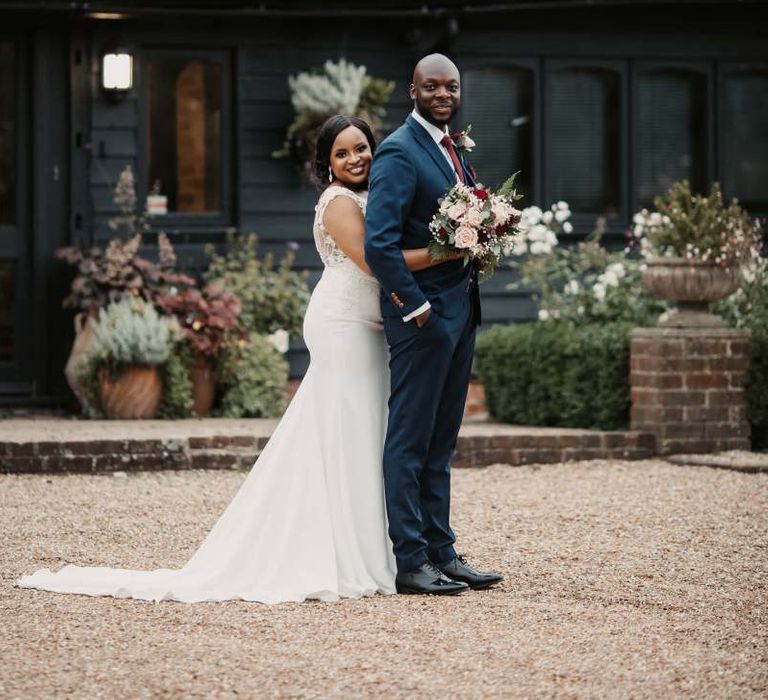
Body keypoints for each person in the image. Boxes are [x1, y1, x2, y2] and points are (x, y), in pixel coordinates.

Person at [16, 115, 452, 604]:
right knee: (346, 427)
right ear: (326, 164)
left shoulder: (376, 194)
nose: (356, 158)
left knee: (367, 429)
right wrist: (448, 250)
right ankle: (337, 550)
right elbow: (376, 261)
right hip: (344, 324)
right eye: (342, 153)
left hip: (372, 327)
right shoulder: (338, 203)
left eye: (362, 148)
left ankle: (376, 546)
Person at [365, 53, 504, 595]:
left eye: (451, 87)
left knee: (442, 439)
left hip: (460, 311)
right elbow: (380, 244)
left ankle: (443, 552)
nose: (443, 94)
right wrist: (414, 304)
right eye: (432, 86)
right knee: (410, 439)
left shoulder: (452, 149)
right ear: (413, 90)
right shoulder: (400, 151)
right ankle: (410, 560)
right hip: (422, 318)